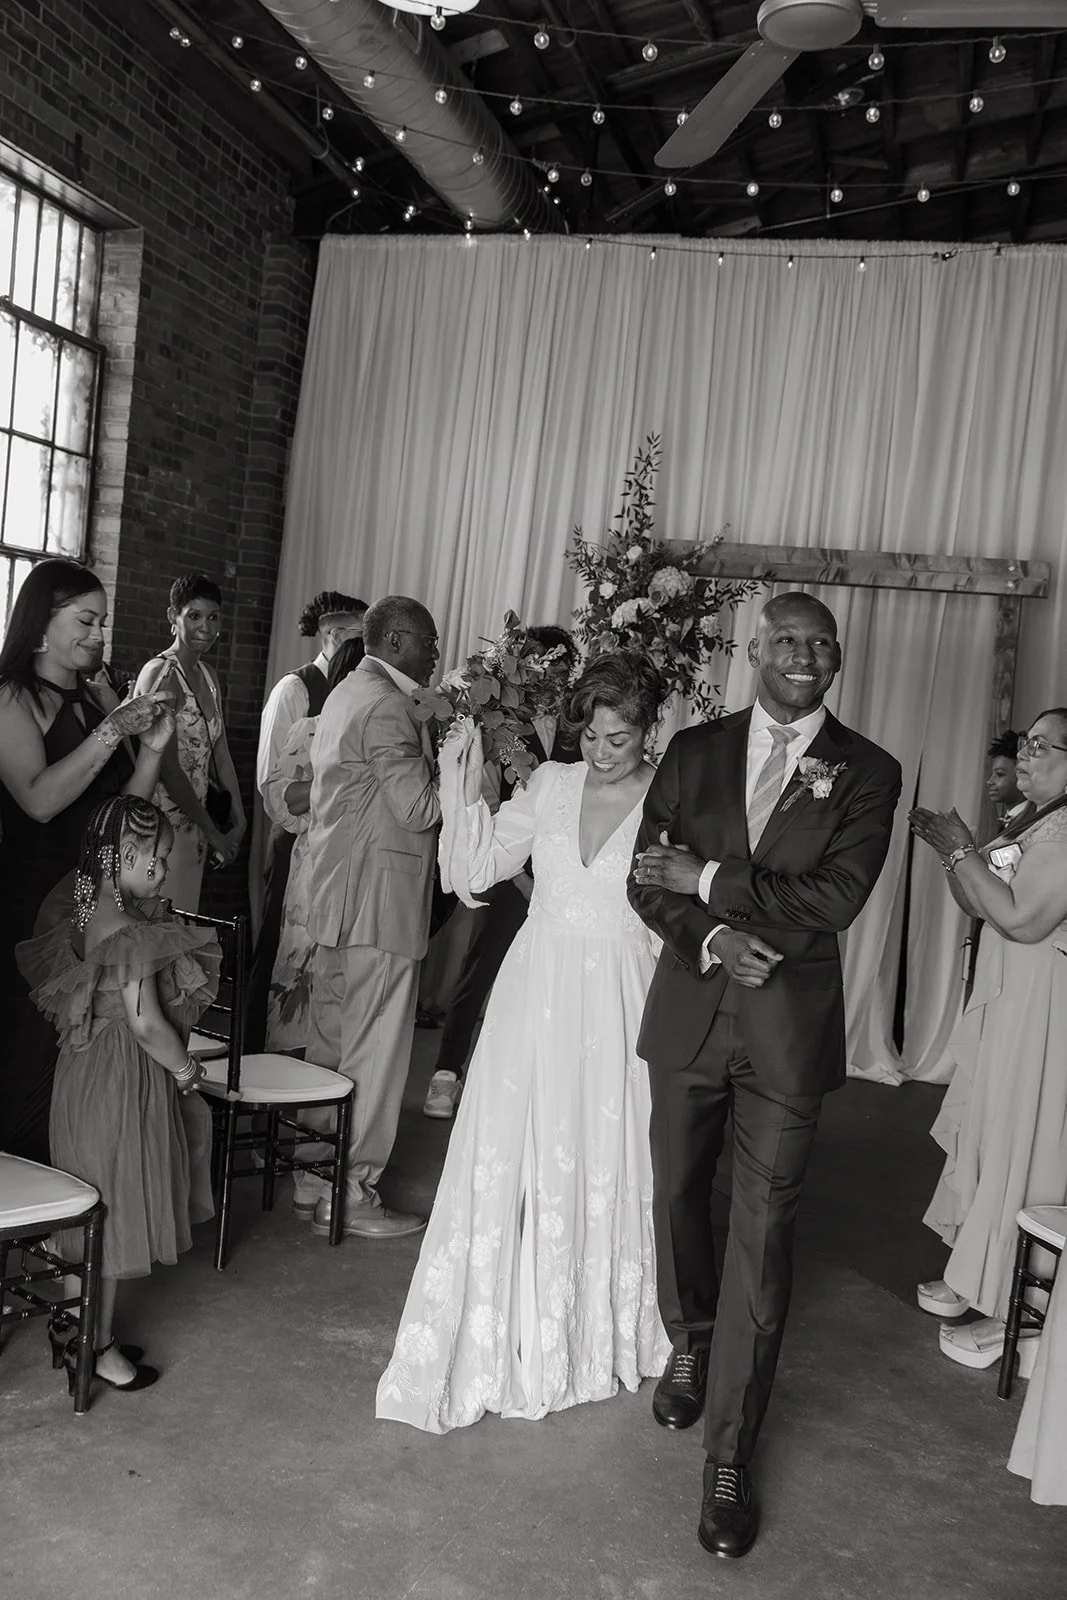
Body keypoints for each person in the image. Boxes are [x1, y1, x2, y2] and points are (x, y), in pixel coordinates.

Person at [628, 592, 901, 1560]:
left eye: (818, 644)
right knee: (671, 1195)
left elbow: (833, 895)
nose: (802, 654)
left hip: (786, 1034)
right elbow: (640, 875)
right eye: (785, 638)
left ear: (835, 660)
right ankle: (688, 1334)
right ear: (753, 647)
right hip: (689, 1015)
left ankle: (729, 1452)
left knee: (763, 1230)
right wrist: (707, 935)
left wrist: (702, 884)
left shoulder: (868, 770)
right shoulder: (694, 749)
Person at [377, 652, 671, 1432]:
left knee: (605, 1151)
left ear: (649, 729)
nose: (604, 750)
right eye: (594, 733)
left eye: (622, 736)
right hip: (537, 989)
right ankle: (508, 1320)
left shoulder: (671, 797)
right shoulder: (550, 786)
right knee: (515, 1148)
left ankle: (596, 1325)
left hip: (620, 993)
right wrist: (465, 784)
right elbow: (473, 870)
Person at [16, 795, 220, 1395]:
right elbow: (147, 1023)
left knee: (94, 1208)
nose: (160, 871)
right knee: (113, 1213)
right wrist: (186, 1072)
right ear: (124, 855)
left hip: (80, 1076)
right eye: (155, 859)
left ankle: (78, 1327)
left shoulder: (83, 901)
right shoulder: (130, 933)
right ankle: (95, 1349)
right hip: (117, 1082)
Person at [0, 559, 175, 1159]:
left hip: (94, 901)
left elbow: (122, 818)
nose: (99, 635)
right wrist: (112, 731)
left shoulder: (96, 701)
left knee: (85, 1047)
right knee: (30, 1051)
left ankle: (70, 1196)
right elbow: (40, 800)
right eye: (86, 620)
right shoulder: (11, 697)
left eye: (102, 622)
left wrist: (150, 752)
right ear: (42, 622)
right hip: (33, 901)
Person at [910, 710, 1067, 1366]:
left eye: (1040, 747)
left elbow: (1021, 920)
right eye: (1023, 745)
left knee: (1019, 1138)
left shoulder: (1063, 829)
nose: (1024, 757)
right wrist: (959, 852)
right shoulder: (1034, 818)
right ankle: (976, 1272)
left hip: (1042, 1008)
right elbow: (977, 900)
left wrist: (957, 850)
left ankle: (1016, 1313)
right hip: (1011, 1001)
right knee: (989, 1128)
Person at [295, 596, 441, 1239]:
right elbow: (418, 808)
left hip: (333, 897)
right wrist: (471, 770)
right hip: (377, 902)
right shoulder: (387, 703)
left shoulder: (349, 691)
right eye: (431, 641)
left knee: (330, 1043)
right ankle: (351, 1191)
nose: (437, 653)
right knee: (375, 1052)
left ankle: (312, 1176)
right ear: (401, 638)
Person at [423, 624, 579, 1120]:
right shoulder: (498, 724)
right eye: (542, 666)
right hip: (507, 868)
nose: (552, 675)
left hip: (564, 872)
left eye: (560, 667)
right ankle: (446, 1074)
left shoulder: (582, 726)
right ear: (522, 669)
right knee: (480, 967)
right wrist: (518, 877)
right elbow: (483, 804)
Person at [246, 590, 367, 1049]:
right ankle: (260, 1058)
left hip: (343, 852)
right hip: (296, 842)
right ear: (333, 635)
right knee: (280, 952)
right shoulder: (294, 690)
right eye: (360, 633)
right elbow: (271, 783)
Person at [132, 574, 245, 913]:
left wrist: (240, 819)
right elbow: (167, 767)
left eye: (213, 617)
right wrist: (214, 832)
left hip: (197, 823)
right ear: (173, 616)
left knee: (184, 918)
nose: (206, 627)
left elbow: (220, 752)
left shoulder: (209, 676)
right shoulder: (160, 673)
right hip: (159, 823)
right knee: (160, 925)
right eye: (194, 616)